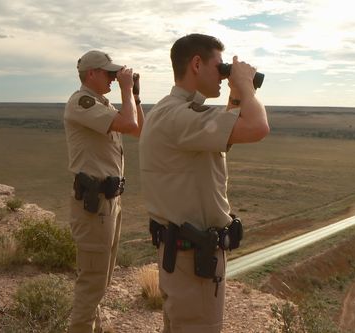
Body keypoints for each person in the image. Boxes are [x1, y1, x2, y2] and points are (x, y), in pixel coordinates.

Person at [139, 33, 269, 333]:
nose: (224, 76)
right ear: (196, 64)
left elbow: (223, 133)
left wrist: (235, 93)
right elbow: (257, 127)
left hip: (183, 257)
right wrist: (247, 85)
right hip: (193, 263)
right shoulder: (180, 117)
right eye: (220, 67)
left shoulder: (171, 110)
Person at [64, 50, 144, 333]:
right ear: (91, 74)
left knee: (102, 279)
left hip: (110, 202)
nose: (112, 78)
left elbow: (138, 129)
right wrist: (123, 87)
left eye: (115, 74)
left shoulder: (102, 104)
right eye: (108, 73)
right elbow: (130, 124)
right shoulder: (82, 102)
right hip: (94, 204)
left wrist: (132, 94)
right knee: (92, 282)